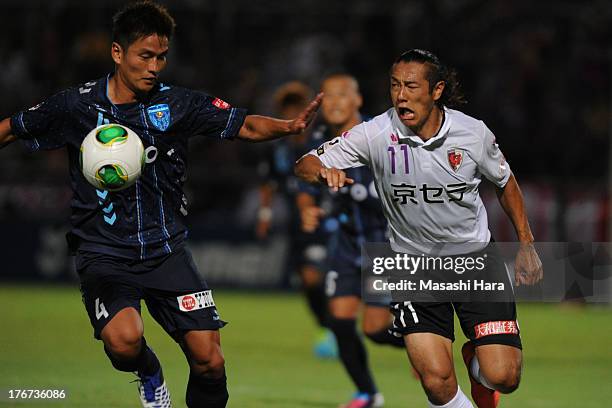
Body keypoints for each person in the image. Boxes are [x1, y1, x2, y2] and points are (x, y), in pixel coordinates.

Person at [0, 2, 321, 408]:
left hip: (166, 249)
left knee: (210, 360)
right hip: (103, 252)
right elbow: (12, 129)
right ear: (118, 53)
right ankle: (150, 373)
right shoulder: (75, 106)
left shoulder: (179, 104)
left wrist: (288, 127)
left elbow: (244, 124)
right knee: (124, 342)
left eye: (161, 57)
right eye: (145, 56)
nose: (154, 66)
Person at [295, 49, 543, 408]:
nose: (401, 95)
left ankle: (476, 364)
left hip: (475, 261)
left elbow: (505, 182)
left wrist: (526, 243)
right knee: (436, 384)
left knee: (504, 377)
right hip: (413, 266)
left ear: (437, 90)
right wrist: (322, 171)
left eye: (411, 86)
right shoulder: (376, 133)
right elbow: (305, 163)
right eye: (395, 86)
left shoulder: (472, 134)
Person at [299, 73, 406, 408]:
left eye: (341, 95)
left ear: (357, 100)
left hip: (383, 243)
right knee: (340, 319)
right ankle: (367, 393)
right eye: (327, 96)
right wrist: (308, 210)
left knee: (375, 329)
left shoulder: (381, 134)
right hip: (346, 242)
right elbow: (304, 181)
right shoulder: (318, 138)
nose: (333, 102)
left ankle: (426, 343)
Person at [256, 81, 338, 358]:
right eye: (287, 107)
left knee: (317, 277)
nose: (292, 110)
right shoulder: (277, 150)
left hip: (327, 220)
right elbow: (268, 185)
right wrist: (265, 215)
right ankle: (327, 326)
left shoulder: (323, 143)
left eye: (296, 106)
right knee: (306, 281)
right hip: (297, 224)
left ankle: (336, 327)